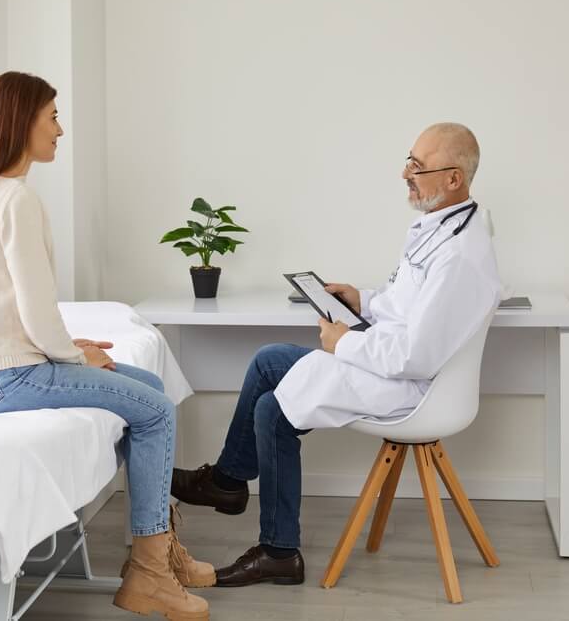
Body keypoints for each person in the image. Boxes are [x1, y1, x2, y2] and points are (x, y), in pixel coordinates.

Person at [172, 123, 503, 588]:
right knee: (269, 359)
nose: (404, 173)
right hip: (395, 365)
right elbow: (407, 307)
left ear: (454, 179)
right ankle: (228, 484)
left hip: (414, 389)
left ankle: (279, 551)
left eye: (418, 166)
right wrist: (362, 301)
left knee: (273, 410)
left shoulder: (460, 256)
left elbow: (416, 357)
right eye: (409, 159)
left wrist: (343, 342)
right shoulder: (440, 226)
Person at [0, 71, 211, 619]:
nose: (61, 130)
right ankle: (150, 574)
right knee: (156, 411)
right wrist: (71, 353)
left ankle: (158, 551)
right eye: (53, 116)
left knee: (149, 386)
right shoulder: (17, 199)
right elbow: (38, 314)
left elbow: (13, 310)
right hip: (6, 378)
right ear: (22, 124)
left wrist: (65, 344)